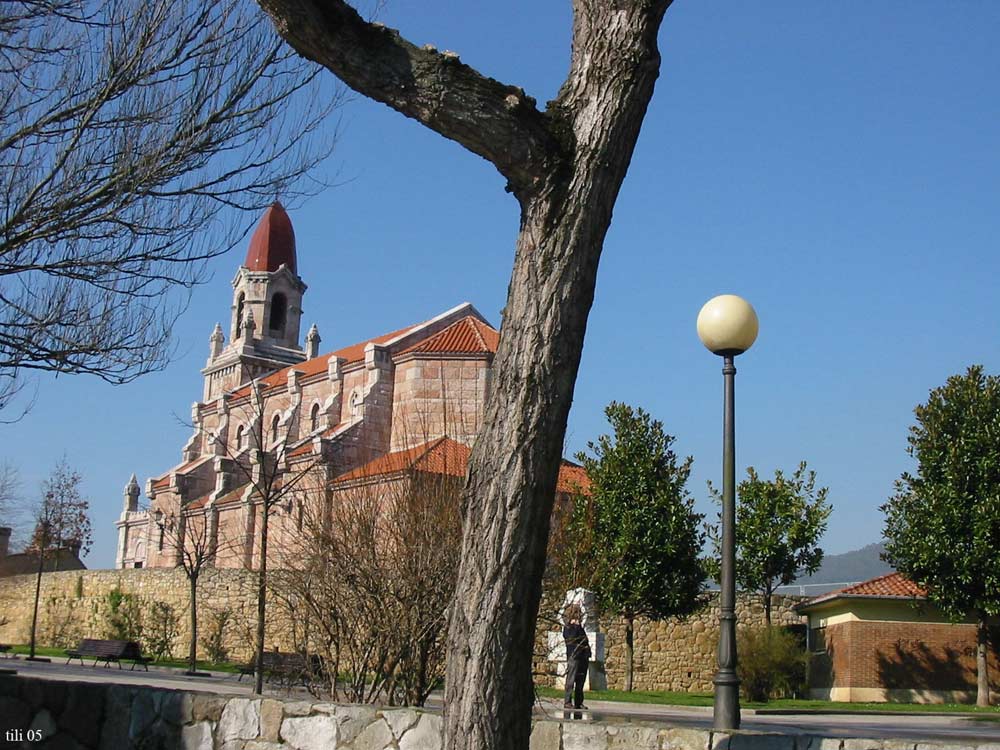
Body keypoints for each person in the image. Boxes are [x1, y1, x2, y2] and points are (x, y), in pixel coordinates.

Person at [562, 603, 591, 709]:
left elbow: (584, 640)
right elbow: (572, 639)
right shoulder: (569, 628)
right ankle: (567, 701)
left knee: (581, 680)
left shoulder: (579, 627)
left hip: (583, 656)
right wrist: (576, 626)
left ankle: (579, 702)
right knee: (571, 679)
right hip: (574, 656)